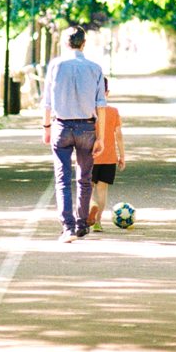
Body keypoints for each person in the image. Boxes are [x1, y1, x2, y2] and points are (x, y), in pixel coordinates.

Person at [41, 25, 107, 243]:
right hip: (87, 127)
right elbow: (101, 106)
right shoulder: (95, 68)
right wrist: (101, 137)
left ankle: (67, 228)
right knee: (84, 178)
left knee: (62, 179)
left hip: (61, 126)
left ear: (65, 43)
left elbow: (47, 101)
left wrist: (46, 128)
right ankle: (81, 225)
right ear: (84, 43)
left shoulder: (55, 66)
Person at [87, 77, 125, 231]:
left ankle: (91, 206)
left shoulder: (87, 113)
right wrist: (122, 156)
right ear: (107, 93)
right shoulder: (113, 112)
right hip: (109, 157)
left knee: (87, 188)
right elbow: (119, 135)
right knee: (102, 190)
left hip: (90, 157)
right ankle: (97, 222)